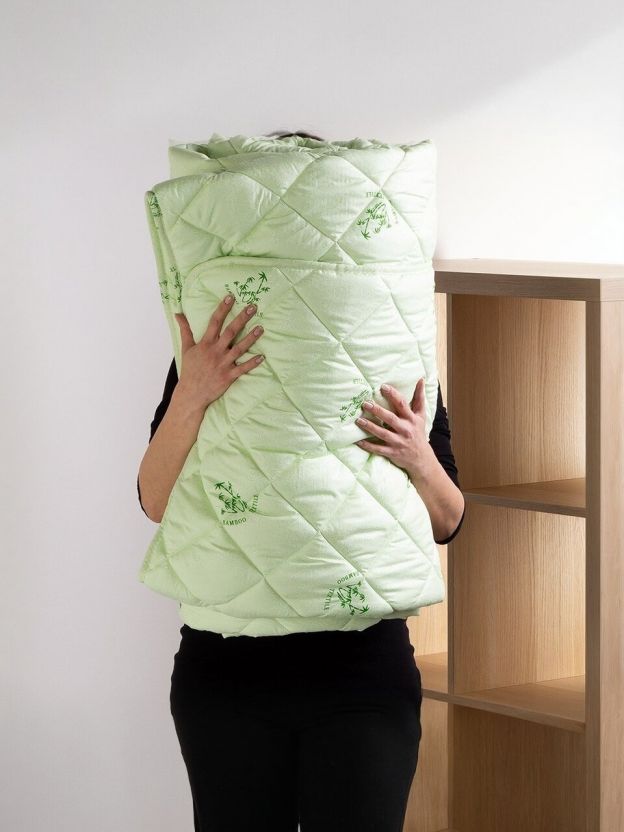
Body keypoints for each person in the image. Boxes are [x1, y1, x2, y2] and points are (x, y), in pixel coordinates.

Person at [136, 131, 466, 832]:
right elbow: (154, 500)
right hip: (225, 675)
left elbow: (447, 521)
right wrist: (192, 391)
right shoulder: (209, 355)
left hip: (363, 676)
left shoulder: (387, 357)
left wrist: (417, 453)